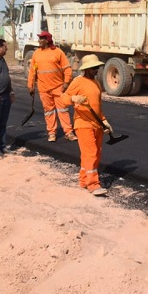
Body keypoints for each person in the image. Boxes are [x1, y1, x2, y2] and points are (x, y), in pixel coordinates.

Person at [61, 54, 112, 196]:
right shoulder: (78, 82)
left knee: (94, 154)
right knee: (90, 154)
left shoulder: (97, 84)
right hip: (82, 124)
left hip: (96, 124)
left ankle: (84, 180)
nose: (97, 70)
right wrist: (73, 98)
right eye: (94, 68)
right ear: (87, 69)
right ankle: (93, 185)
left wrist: (104, 121)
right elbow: (63, 98)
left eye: (97, 67)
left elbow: (98, 107)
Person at [27, 30, 76, 142]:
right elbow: (32, 71)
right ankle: (51, 133)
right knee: (48, 111)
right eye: (39, 38)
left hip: (58, 87)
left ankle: (68, 132)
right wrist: (30, 85)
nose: (39, 41)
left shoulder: (58, 52)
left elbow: (67, 68)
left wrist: (66, 82)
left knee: (63, 110)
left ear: (47, 40)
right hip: (44, 89)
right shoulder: (36, 54)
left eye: (41, 39)